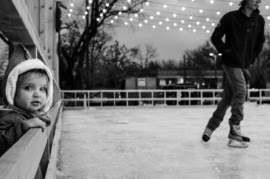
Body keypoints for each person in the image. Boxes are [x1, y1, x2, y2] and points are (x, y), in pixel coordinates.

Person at [202, 0, 265, 146]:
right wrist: (226, 51)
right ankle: (235, 128)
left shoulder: (259, 20)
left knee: (228, 97)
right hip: (230, 62)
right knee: (241, 90)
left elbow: (260, 42)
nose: (258, 1)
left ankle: (210, 128)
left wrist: (252, 58)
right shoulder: (230, 17)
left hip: (244, 64)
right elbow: (215, 37)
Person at [0, 44, 53, 177]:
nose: (37, 94)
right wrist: (26, 126)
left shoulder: (25, 113)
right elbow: (1, 141)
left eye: (43, 89)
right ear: (12, 91)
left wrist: (37, 117)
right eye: (29, 88)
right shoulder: (8, 116)